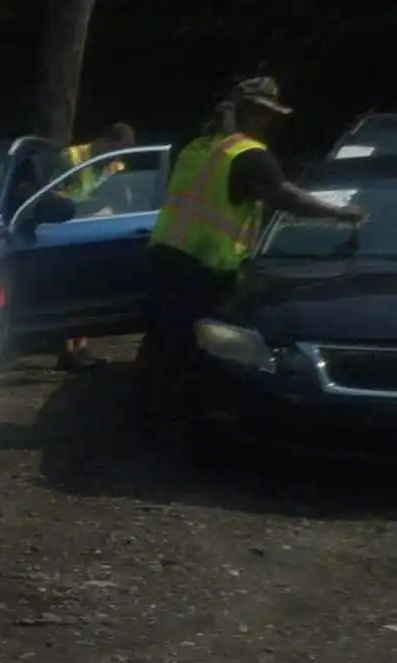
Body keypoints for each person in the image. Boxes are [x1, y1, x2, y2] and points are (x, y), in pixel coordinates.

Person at [135, 77, 364, 426]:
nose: (271, 123)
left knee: (163, 344)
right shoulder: (250, 155)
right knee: (201, 355)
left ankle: (149, 417)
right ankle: (181, 428)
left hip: (166, 256)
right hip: (205, 268)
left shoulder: (197, 147)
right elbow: (286, 197)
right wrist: (338, 213)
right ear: (254, 115)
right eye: (267, 115)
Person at [55, 122, 137, 370]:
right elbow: (54, 193)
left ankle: (81, 348)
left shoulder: (116, 164)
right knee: (69, 290)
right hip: (66, 229)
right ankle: (67, 351)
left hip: (95, 231)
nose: (119, 156)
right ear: (105, 141)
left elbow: (125, 198)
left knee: (85, 288)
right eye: (117, 149)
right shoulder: (71, 157)